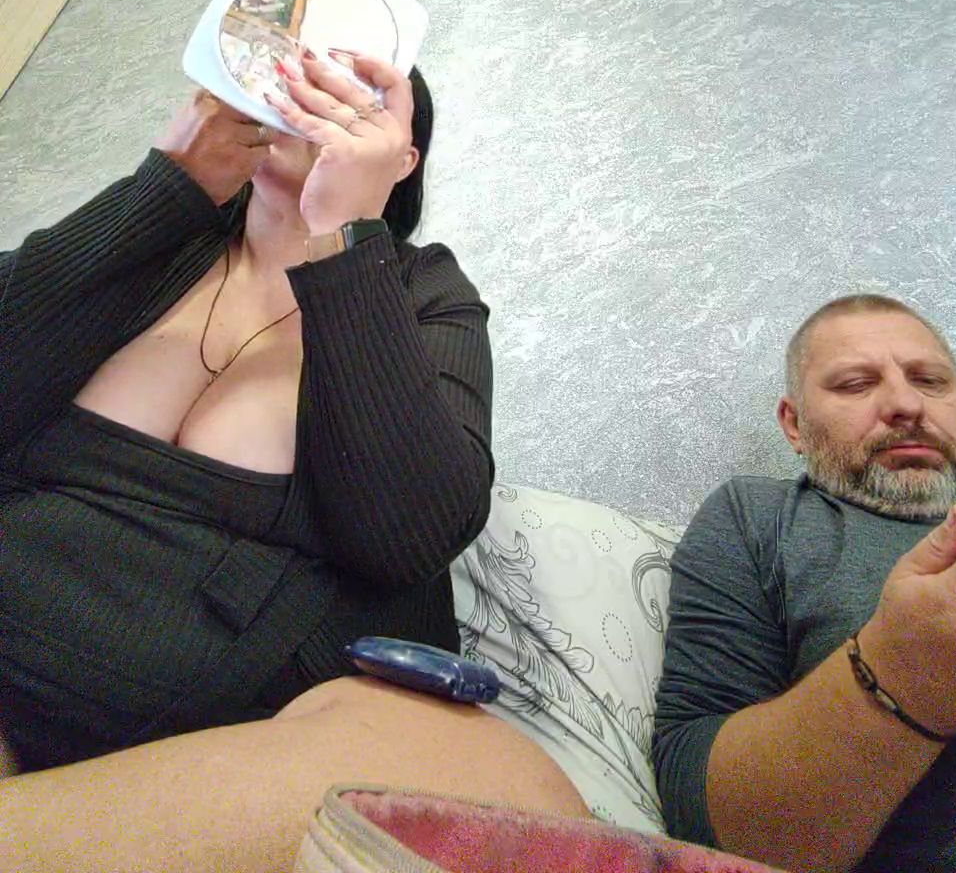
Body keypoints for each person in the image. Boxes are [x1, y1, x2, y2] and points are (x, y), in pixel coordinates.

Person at [0, 51, 590, 871]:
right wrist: (165, 184)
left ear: (401, 160)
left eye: (350, 102)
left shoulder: (425, 294)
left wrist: (343, 242)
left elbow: (410, 536)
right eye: (293, 83)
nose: (307, 105)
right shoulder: (165, 236)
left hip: (210, 735)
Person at [653, 293, 956, 873]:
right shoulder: (756, 517)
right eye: (855, 384)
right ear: (794, 424)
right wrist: (908, 662)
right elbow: (702, 815)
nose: (906, 403)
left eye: (930, 381)